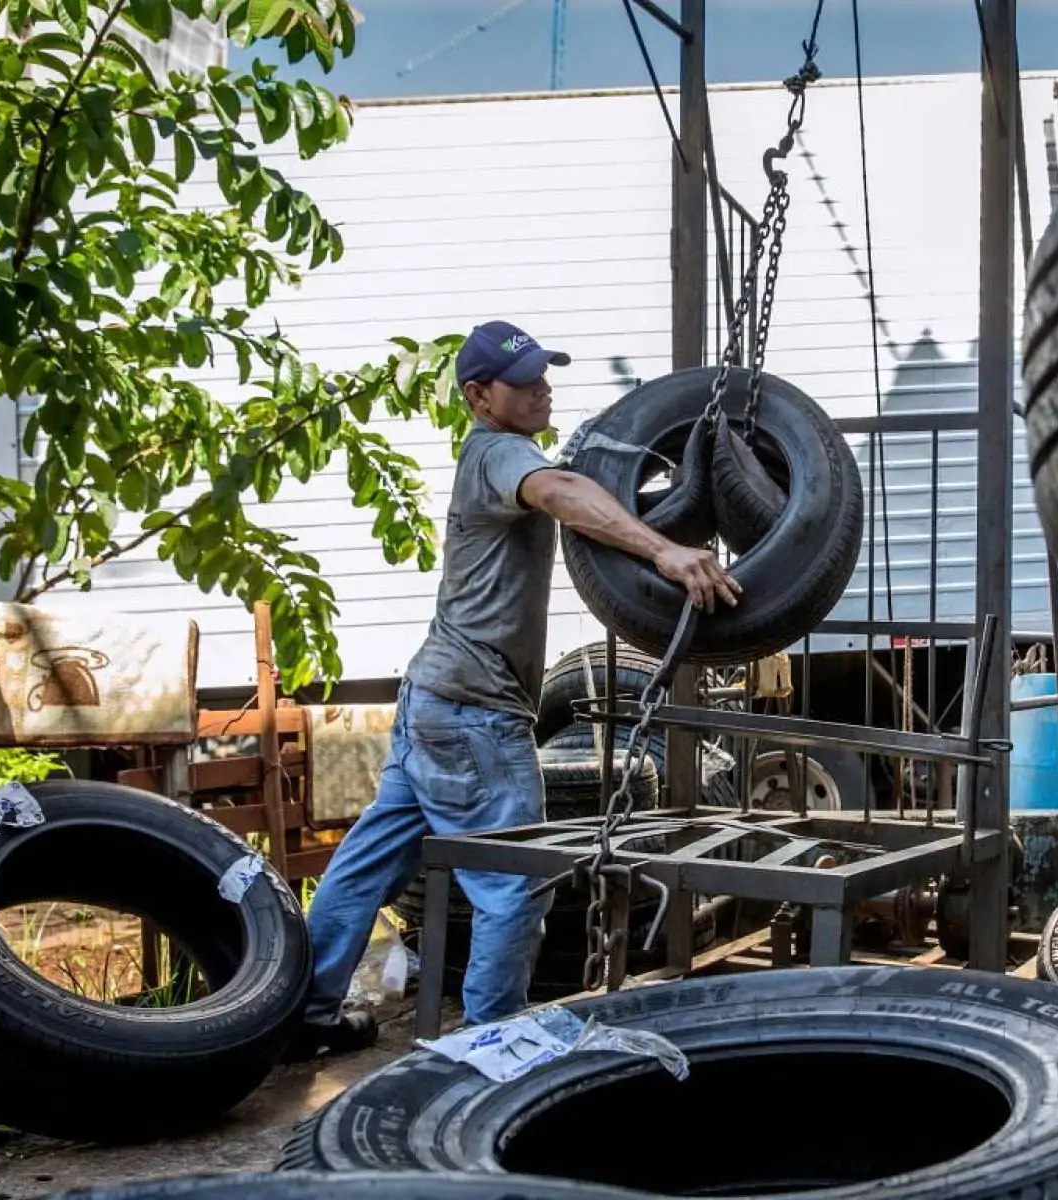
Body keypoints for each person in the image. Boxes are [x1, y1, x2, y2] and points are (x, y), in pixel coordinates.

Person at [287, 320, 740, 1059]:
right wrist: (664, 550)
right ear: (478, 395)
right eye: (523, 379)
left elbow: (573, 482)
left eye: (544, 372)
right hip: (475, 715)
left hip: (430, 697)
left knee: (371, 860)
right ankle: (494, 1037)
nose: (541, 387)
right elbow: (560, 489)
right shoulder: (500, 454)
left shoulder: (503, 452)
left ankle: (302, 1013)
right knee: (512, 882)